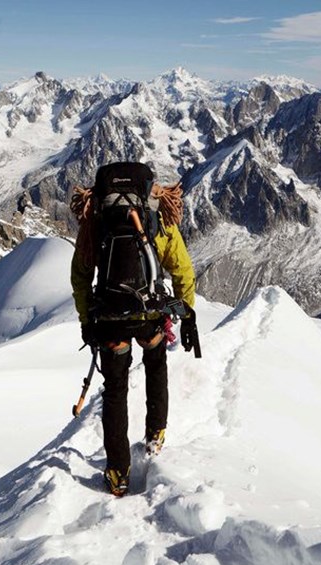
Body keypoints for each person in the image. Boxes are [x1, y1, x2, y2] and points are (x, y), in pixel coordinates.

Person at [70, 162, 199, 497]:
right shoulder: (157, 217)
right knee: (156, 366)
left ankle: (117, 472)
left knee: (115, 390)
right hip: (149, 315)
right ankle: (156, 434)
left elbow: (81, 276)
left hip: (110, 316)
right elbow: (182, 268)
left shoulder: (96, 218)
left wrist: (87, 321)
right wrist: (188, 313)